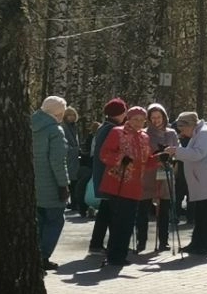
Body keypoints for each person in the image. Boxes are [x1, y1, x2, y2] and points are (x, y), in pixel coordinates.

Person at [165, 112, 207, 256]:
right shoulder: (199, 133)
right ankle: (197, 243)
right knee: (201, 214)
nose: (181, 133)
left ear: (189, 125)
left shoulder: (204, 134)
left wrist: (176, 151)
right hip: (203, 182)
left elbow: (197, 154)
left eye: (182, 129)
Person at [99, 106, 157, 267]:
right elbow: (104, 153)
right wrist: (120, 158)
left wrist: (160, 158)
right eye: (135, 119)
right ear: (128, 119)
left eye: (142, 120)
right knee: (119, 221)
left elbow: (147, 161)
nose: (138, 123)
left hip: (135, 186)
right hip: (117, 183)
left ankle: (121, 254)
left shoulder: (144, 137)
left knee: (128, 222)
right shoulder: (117, 132)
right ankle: (113, 255)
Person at [32, 96, 70, 272]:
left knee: (38, 221)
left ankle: (33, 253)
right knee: (55, 221)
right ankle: (43, 256)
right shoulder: (55, 130)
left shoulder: (30, 125)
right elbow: (57, 161)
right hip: (51, 185)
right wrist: (64, 185)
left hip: (33, 183)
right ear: (58, 113)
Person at [136, 104, 178, 252]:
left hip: (165, 173)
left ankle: (164, 241)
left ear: (164, 117)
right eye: (153, 118)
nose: (156, 120)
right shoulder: (144, 133)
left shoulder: (171, 133)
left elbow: (176, 152)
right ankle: (141, 241)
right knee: (143, 209)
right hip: (148, 174)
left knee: (164, 210)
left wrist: (172, 160)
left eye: (159, 117)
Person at [88, 98, 127, 254]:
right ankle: (101, 244)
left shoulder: (105, 128)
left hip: (106, 175)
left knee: (107, 211)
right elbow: (108, 154)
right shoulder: (111, 130)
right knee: (109, 212)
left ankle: (103, 243)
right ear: (120, 113)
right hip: (109, 177)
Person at [61, 107, 81, 211]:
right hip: (69, 157)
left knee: (74, 181)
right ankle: (71, 202)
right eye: (70, 115)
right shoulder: (63, 127)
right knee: (71, 181)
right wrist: (73, 149)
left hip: (74, 158)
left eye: (73, 115)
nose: (72, 117)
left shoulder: (74, 127)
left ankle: (74, 202)